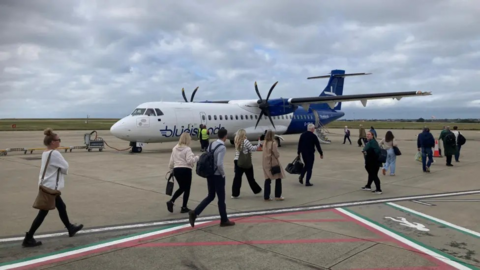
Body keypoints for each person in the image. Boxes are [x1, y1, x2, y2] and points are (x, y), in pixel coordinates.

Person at [22, 128, 83, 248]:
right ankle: (28, 237)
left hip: (47, 185)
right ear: (52, 142)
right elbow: (65, 166)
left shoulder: (46, 152)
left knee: (61, 206)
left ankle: (70, 228)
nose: (59, 141)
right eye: (58, 140)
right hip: (50, 187)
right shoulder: (54, 153)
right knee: (43, 213)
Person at [189, 128, 235, 227]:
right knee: (221, 198)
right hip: (218, 176)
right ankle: (224, 220)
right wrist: (223, 174)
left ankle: (195, 212)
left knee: (210, 196)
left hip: (209, 174)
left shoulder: (212, 144)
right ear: (225, 136)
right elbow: (219, 164)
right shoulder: (222, 147)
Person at [167, 132, 200, 213]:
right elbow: (189, 161)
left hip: (177, 170)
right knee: (186, 189)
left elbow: (171, 161)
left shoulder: (174, 148)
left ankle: (172, 201)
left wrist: (171, 170)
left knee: (182, 187)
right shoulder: (187, 149)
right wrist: (197, 158)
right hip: (186, 170)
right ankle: (183, 207)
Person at [231, 129, 262, 198]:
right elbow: (252, 148)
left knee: (237, 178)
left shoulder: (236, 140)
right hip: (245, 161)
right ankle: (257, 189)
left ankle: (234, 193)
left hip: (237, 160)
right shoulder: (245, 141)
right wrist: (258, 144)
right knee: (250, 177)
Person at [262, 130, 285, 201]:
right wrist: (278, 155)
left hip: (265, 162)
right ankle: (278, 195)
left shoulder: (264, 143)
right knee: (278, 178)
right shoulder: (273, 143)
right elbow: (276, 154)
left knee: (267, 179)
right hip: (273, 163)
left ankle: (266, 196)